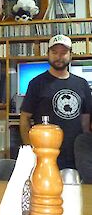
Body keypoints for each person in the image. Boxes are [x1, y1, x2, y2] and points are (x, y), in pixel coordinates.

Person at [19, 34, 92, 170]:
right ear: (48, 54)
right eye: (54, 52)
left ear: (70, 55)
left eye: (63, 52)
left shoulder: (82, 84)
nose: (59, 56)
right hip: (45, 154)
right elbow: (25, 119)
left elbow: (86, 121)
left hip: (77, 155)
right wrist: (30, 149)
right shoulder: (36, 83)